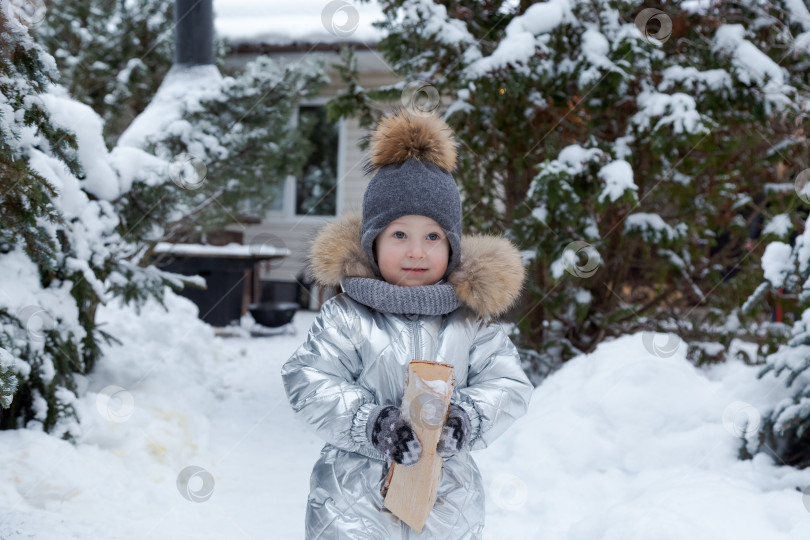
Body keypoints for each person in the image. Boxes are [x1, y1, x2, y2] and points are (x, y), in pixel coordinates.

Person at [281, 111, 533, 539]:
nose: (417, 252)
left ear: (452, 246)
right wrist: (371, 423)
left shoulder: (471, 320)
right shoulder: (347, 315)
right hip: (352, 506)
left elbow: (508, 384)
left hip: (446, 507)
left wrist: (465, 419)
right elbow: (307, 379)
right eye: (399, 235)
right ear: (373, 241)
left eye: (433, 237)